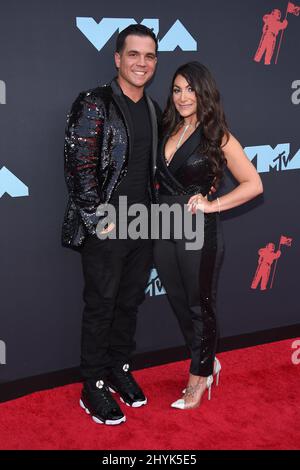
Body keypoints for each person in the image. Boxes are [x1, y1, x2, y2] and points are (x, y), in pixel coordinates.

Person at [62, 24, 161, 425]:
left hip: (142, 225)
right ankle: (93, 384)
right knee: (101, 306)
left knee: (129, 302)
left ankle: (118, 369)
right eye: (133, 54)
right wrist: (97, 220)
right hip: (107, 227)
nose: (142, 62)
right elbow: (79, 168)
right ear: (118, 58)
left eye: (150, 56)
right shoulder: (95, 102)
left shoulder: (154, 109)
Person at [153, 61, 263, 410]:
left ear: (205, 93)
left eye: (190, 89)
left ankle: (199, 378)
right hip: (162, 228)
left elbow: (254, 185)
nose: (183, 97)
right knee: (179, 304)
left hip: (198, 232)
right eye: (177, 89)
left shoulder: (218, 136)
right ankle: (207, 358)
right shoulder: (167, 127)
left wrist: (213, 205)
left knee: (200, 307)